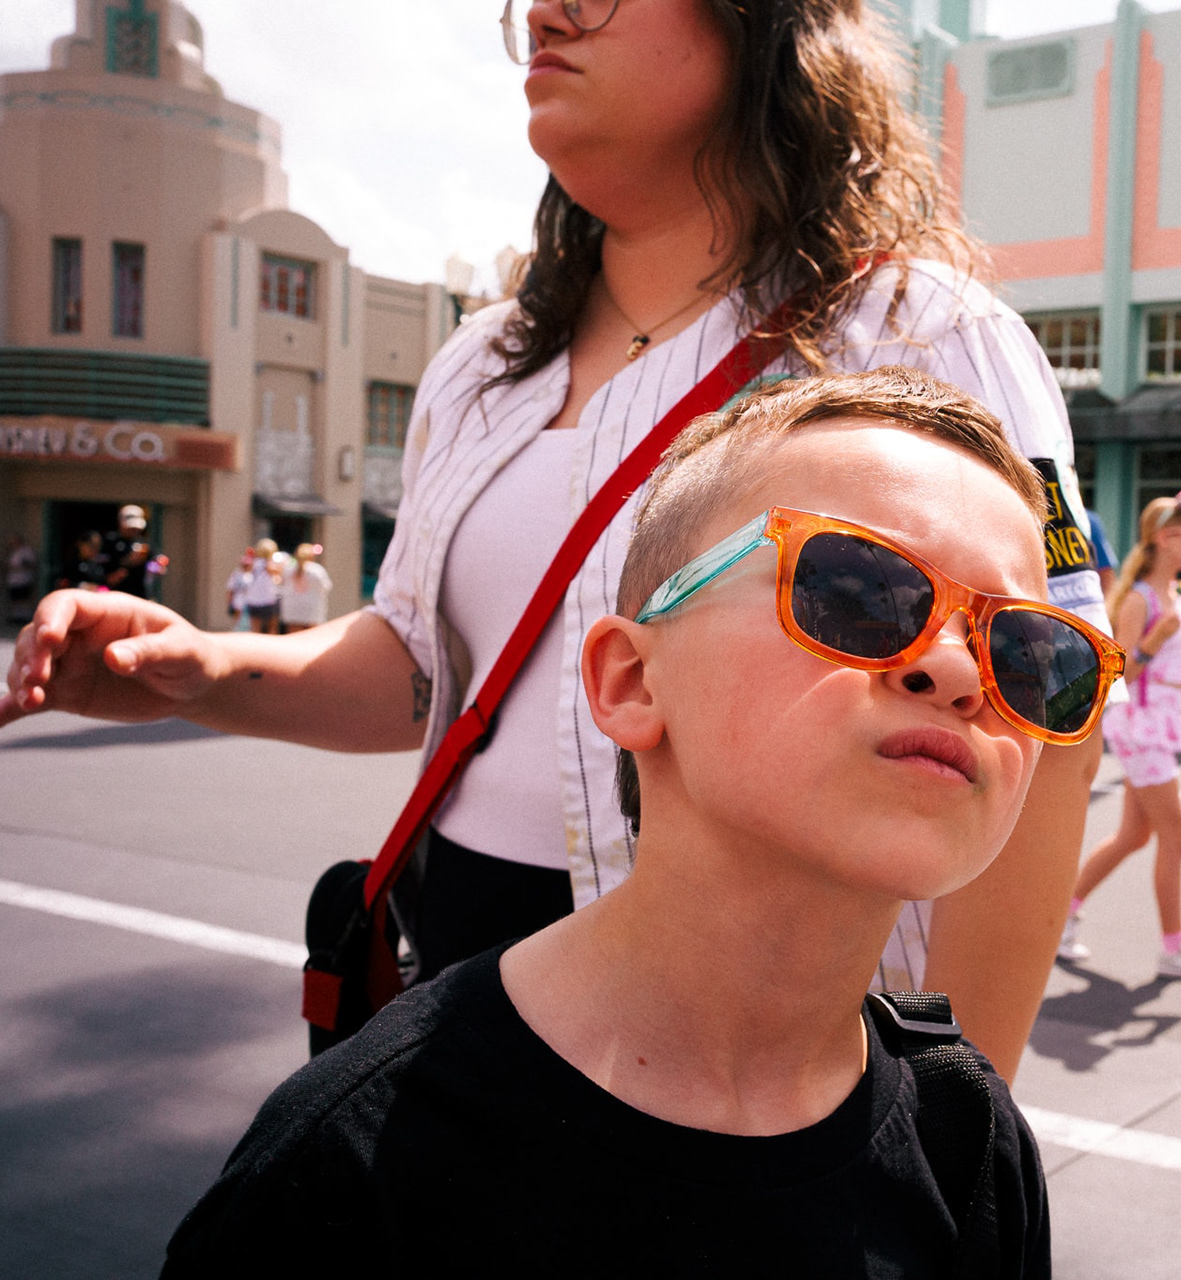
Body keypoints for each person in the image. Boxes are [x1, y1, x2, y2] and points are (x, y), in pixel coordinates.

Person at [1, 0, 1106, 1080]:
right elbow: (425, 668)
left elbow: (1041, 706)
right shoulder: (478, 366)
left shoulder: (921, 331)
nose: (544, 17)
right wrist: (205, 668)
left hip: (758, 1044)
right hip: (455, 987)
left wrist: (961, 1123)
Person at [162, 370, 1109, 1275]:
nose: (961, 672)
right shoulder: (350, 1168)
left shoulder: (968, 1140)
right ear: (631, 681)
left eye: (1029, 654)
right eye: (860, 594)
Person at [1057, 486, 1181, 981]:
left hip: (1162, 725)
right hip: (1139, 727)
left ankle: (1061, 920)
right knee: (1175, 835)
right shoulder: (1140, 600)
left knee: (1133, 836)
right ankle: (1175, 946)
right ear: (1165, 538)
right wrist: (1152, 643)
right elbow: (1118, 676)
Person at [100, 505, 153, 599]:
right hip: (115, 594)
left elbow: (152, 563)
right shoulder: (110, 541)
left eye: (136, 528)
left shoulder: (143, 543)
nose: (134, 531)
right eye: (131, 528)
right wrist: (127, 561)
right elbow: (101, 570)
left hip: (139, 594)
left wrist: (155, 566)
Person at [278, 543, 333, 634]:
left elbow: (281, 583)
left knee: (294, 637)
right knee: (312, 636)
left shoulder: (288, 569)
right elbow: (326, 587)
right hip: (312, 610)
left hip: (292, 609)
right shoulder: (317, 570)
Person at [238, 539, 284, 634]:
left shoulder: (252, 563)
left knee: (256, 630)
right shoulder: (272, 563)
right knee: (272, 629)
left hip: (254, 600)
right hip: (269, 600)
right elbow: (279, 577)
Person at [5, 535, 36, 624]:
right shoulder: (12, 552)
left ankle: (25, 617)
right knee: (15, 599)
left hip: (24, 579)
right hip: (13, 580)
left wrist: (20, 567)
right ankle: (16, 617)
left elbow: (32, 564)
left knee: (24, 598)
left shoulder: (26, 551)